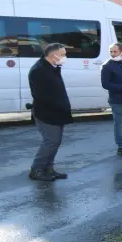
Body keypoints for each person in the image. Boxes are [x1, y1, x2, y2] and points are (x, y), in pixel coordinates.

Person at [27, 43, 72, 181]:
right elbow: (41, 96)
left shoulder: (52, 67)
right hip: (46, 113)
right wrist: (59, 106)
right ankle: (37, 169)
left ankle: (48, 168)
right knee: (50, 141)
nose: (65, 57)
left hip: (57, 112)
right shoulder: (39, 70)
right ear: (54, 55)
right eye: (63, 54)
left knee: (55, 142)